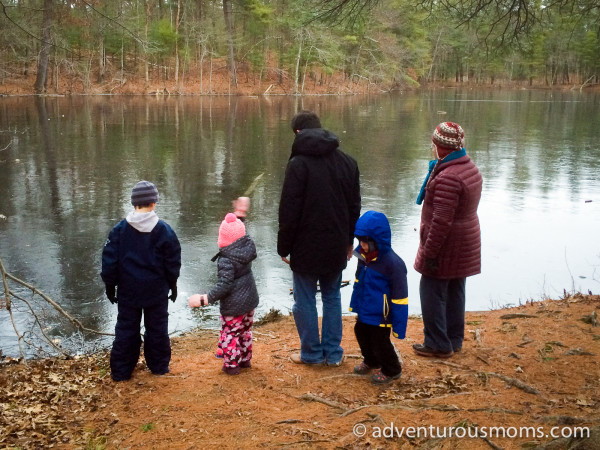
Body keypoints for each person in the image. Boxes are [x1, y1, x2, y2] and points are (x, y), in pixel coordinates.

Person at [278, 110, 361, 366]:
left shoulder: (298, 165)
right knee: (332, 296)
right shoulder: (347, 162)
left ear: (298, 133)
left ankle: (312, 354)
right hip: (336, 243)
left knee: (304, 299)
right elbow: (354, 207)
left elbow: (289, 210)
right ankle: (333, 355)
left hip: (305, 246)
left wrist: (284, 246)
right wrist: (349, 240)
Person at [413, 122, 482, 358]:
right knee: (455, 290)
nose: (432, 146)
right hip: (464, 241)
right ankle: (454, 339)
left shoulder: (448, 178)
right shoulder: (468, 167)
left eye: (434, 143)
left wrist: (429, 252)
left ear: (441, 147)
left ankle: (437, 344)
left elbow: (441, 222)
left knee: (431, 290)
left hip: (447, 244)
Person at [101, 181, 181, 381]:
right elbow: (173, 262)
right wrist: (173, 284)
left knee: (126, 329)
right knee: (157, 329)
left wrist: (110, 286)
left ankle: (121, 372)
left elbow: (109, 261)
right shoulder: (165, 231)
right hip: (156, 291)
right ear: (154, 203)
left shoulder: (119, 230)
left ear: (133, 203)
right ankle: (159, 367)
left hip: (129, 291)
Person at [188, 213, 259, 375]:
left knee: (230, 333)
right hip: (250, 300)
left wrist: (205, 298)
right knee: (245, 331)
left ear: (223, 239)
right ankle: (245, 359)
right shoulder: (246, 251)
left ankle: (232, 365)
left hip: (234, 306)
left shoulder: (226, 259)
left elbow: (224, 285)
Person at [349, 211, 408, 385]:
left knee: (380, 341)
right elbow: (359, 282)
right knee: (360, 332)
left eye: (366, 242)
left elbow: (400, 298)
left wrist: (399, 327)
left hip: (382, 314)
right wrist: (356, 305)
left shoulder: (394, 264)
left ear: (378, 240)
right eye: (360, 241)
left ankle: (392, 369)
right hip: (366, 309)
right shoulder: (362, 257)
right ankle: (371, 360)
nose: (362, 245)